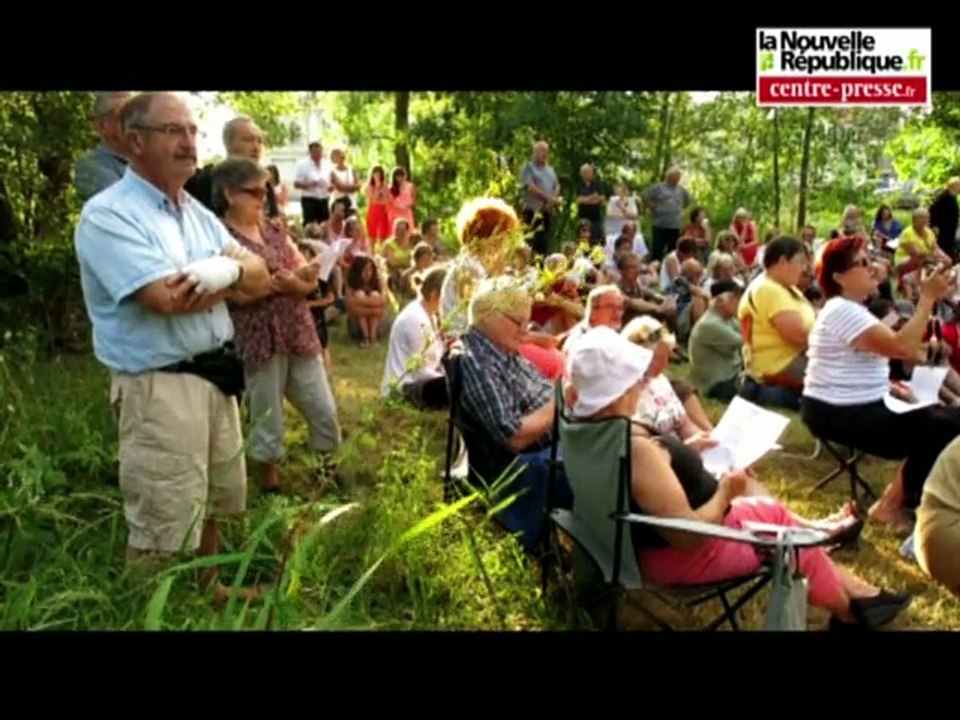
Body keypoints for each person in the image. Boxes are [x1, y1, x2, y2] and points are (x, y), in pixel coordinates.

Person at [566, 325, 912, 630]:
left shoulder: (584, 428)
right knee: (785, 534)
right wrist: (726, 492)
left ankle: (861, 594)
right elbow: (688, 536)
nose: (642, 382)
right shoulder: (633, 447)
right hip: (690, 554)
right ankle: (850, 613)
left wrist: (678, 453)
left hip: (641, 545)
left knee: (771, 514)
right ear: (622, 386)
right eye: (635, 376)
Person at [73, 92, 272, 603]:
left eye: (192, 130)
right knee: (162, 514)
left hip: (213, 375)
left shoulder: (197, 215)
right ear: (134, 140)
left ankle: (209, 589)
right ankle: (145, 608)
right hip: (159, 384)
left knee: (211, 499)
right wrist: (232, 278)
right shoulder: (108, 216)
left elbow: (260, 276)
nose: (189, 142)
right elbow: (164, 298)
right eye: (173, 131)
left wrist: (216, 275)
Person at [801, 235, 960, 531]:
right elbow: (901, 348)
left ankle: (893, 502)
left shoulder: (851, 310)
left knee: (941, 418)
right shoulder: (842, 310)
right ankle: (893, 506)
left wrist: (895, 382)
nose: (874, 268)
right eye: (863, 263)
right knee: (944, 425)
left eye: (871, 260)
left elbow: (905, 350)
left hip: (856, 404)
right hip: (837, 411)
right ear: (839, 277)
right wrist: (926, 298)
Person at [381, 267, 448, 409]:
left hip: (420, 381)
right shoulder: (416, 319)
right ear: (435, 295)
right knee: (455, 384)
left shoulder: (429, 315)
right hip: (405, 388)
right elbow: (421, 372)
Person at [74, 91, 133, 203]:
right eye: (123, 115)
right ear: (101, 125)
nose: (132, 122)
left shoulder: (145, 159)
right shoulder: (91, 165)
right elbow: (124, 207)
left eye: (134, 115)